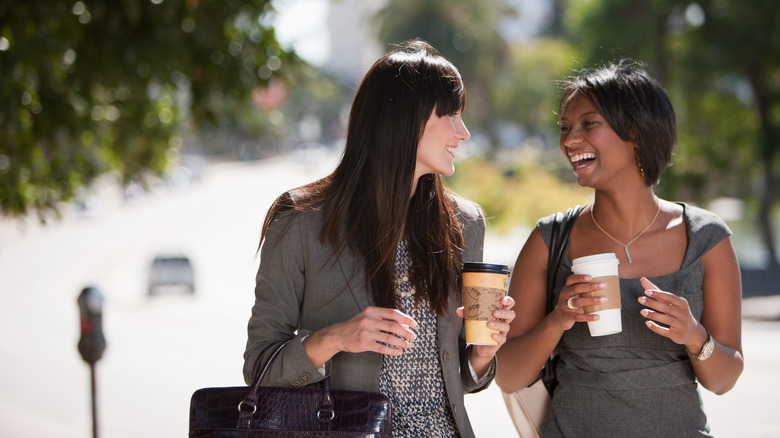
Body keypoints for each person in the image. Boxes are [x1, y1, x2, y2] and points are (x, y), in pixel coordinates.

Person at [243, 40, 516, 438]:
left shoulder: (465, 222)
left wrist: (483, 352)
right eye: (451, 115)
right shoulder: (301, 221)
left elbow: (459, 376)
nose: (464, 132)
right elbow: (259, 366)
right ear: (404, 119)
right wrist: (334, 338)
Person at [495, 61, 743, 437]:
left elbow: (724, 381)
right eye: (565, 128)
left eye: (588, 124)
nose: (569, 140)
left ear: (637, 133)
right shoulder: (549, 241)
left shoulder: (706, 239)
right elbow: (508, 375)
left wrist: (694, 335)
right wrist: (559, 319)